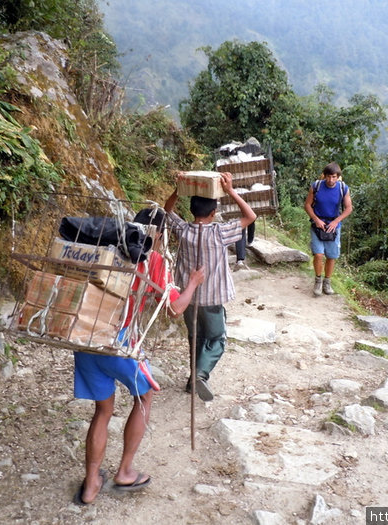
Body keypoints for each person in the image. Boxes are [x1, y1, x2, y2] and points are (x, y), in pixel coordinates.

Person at [73, 208, 205, 505]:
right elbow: (175, 308)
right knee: (144, 397)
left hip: (84, 337)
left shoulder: (104, 250)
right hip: (118, 342)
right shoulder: (152, 260)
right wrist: (194, 282)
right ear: (157, 235)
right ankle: (124, 471)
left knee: (103, 411)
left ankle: (91, 483)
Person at [164, 172, 256, 401]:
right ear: (213, 213)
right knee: (216, 339)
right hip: (212, 299)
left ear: (192, 211)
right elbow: (250, 216)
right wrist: (231, 190)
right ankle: (200, 375)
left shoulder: (183, 230)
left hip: (187, 297)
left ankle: (191, 381)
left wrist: (179, 189)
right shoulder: (219, 232)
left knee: (195, 338)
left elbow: (167, 210)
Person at [303, 162, 353, 296]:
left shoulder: (343, 188)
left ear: (338, 177)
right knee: (318, 254)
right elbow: (307, 205)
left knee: (331, 256)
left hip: (333, 226)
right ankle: (318, 281)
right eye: (329, 177)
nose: (331, 180)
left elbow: (349, 208)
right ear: (324, 176)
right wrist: (316, 219)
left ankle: (327, 282)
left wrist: (336, 221)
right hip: (318, 224)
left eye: (334, 177)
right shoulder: (316, 186)